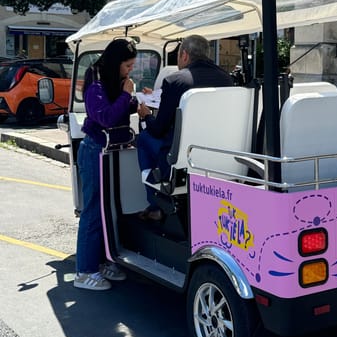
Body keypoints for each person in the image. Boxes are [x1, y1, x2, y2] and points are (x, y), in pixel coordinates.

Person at [137, 34, 233, 221]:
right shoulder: (226, 79)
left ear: (185, 55)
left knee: (144, 138)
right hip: (218, 157)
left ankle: (156, 202)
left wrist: (146, 115)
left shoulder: (175, 81)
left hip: (181, 162)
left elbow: (158, 129)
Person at [74, 38, 138, 291]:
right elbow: (106, 117)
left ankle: (102, 261)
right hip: (94, 151)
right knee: (92, 211)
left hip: (109, 150)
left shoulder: (111, 79)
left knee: (106, 210)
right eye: (128, 66)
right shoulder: (95, 81)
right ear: (116, 63)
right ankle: (84, 271)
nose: (129, 71)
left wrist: (135, 103)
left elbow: (118, 107)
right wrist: (126, 95)